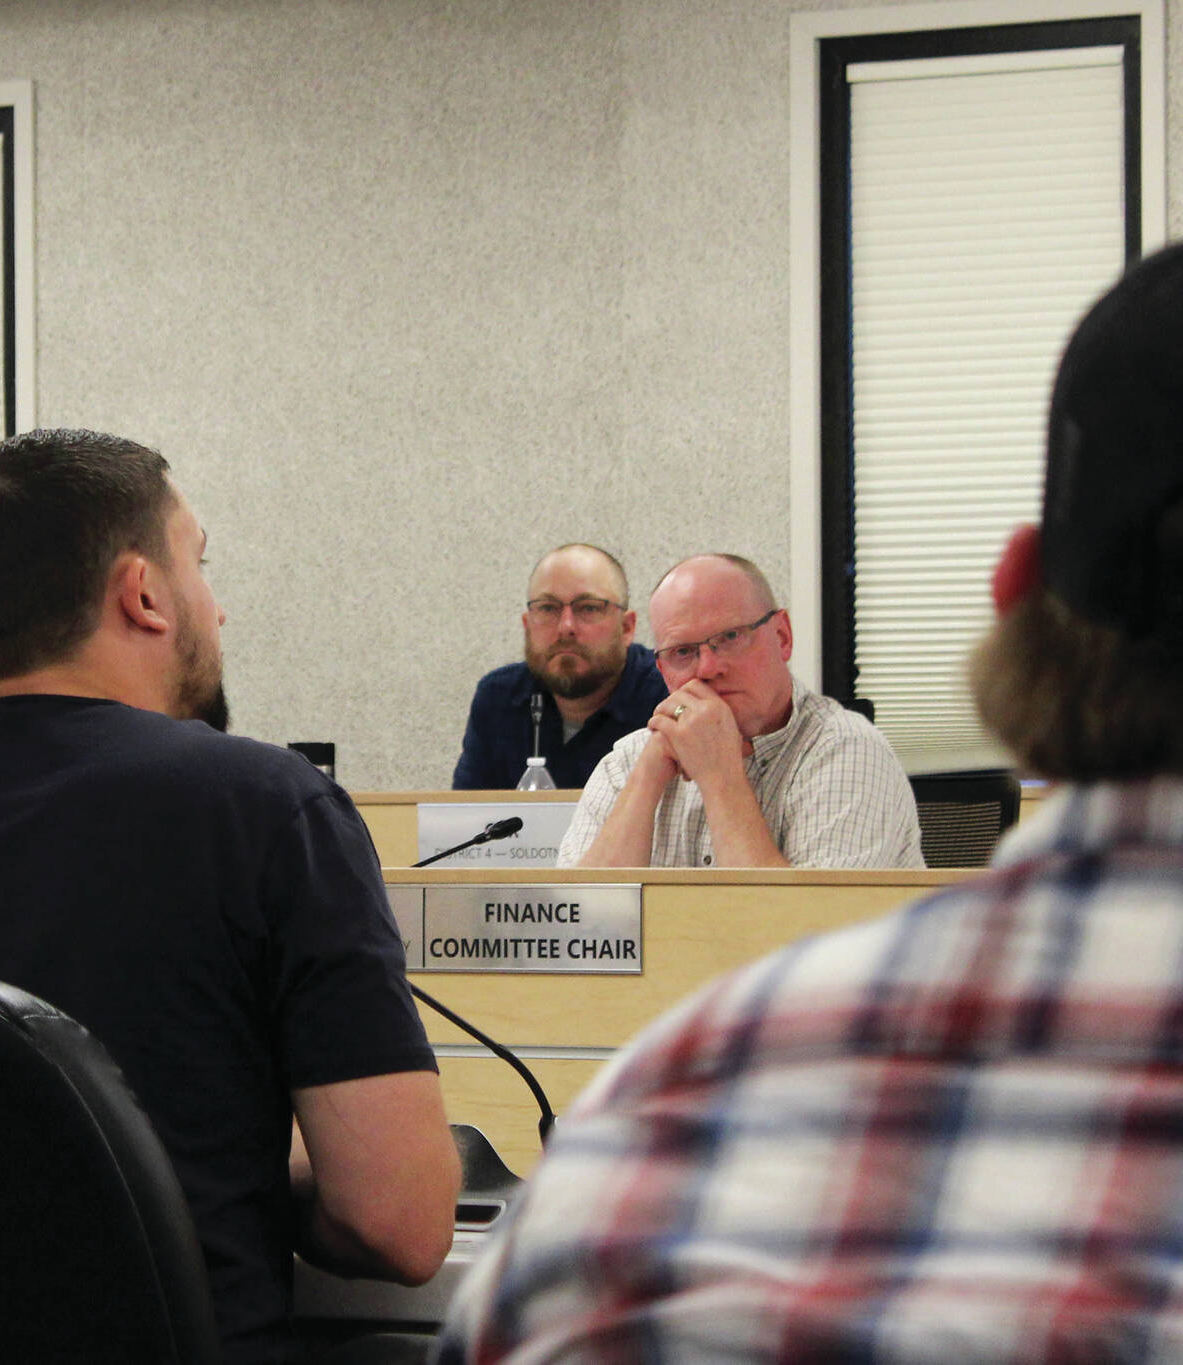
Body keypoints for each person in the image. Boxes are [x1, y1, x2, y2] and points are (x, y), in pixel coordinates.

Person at [436, 244, 1183, 1363]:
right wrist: (647, 771)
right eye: (674, 654)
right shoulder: (633, 758)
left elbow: (787, 933)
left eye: (720, 648)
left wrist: (727, 785)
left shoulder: (843, 760)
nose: (694, 675)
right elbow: (575, 939)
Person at [0, 428, 459, 1364]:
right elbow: (399, 1222)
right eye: (201, 567)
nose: (216, 611)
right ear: (143, 593)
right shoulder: (269, 811)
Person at [557, 554, 921, 867]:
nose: (708, 668)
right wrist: (649, 774)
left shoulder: (849, 751)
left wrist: (719, 774)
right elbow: (579, 929)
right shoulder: (627, 762)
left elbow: (799, 932)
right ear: (663, 671)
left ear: (782, 637)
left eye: (731, 638)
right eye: (683, 652)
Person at [452, 544, 668, 790]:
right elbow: (467, 819)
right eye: (548, 608)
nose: (565, 626)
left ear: (627, 627)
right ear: (527, 625)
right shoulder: (498, 699)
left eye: (588, 607)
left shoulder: (667, 695)